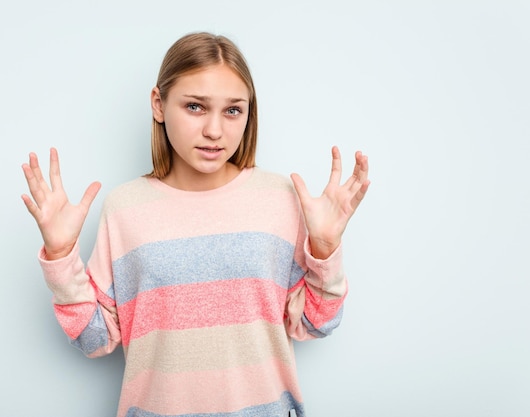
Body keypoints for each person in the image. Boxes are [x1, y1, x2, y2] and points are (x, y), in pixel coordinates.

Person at [21, 32, 369, 417]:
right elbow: (94, 339)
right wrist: (60, 256)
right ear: (159, 104)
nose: (215, 131)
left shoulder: (279, 198)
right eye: (195, 107)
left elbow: (314, 324)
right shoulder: (125, 207)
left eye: (233, 110)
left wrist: (324, 249)